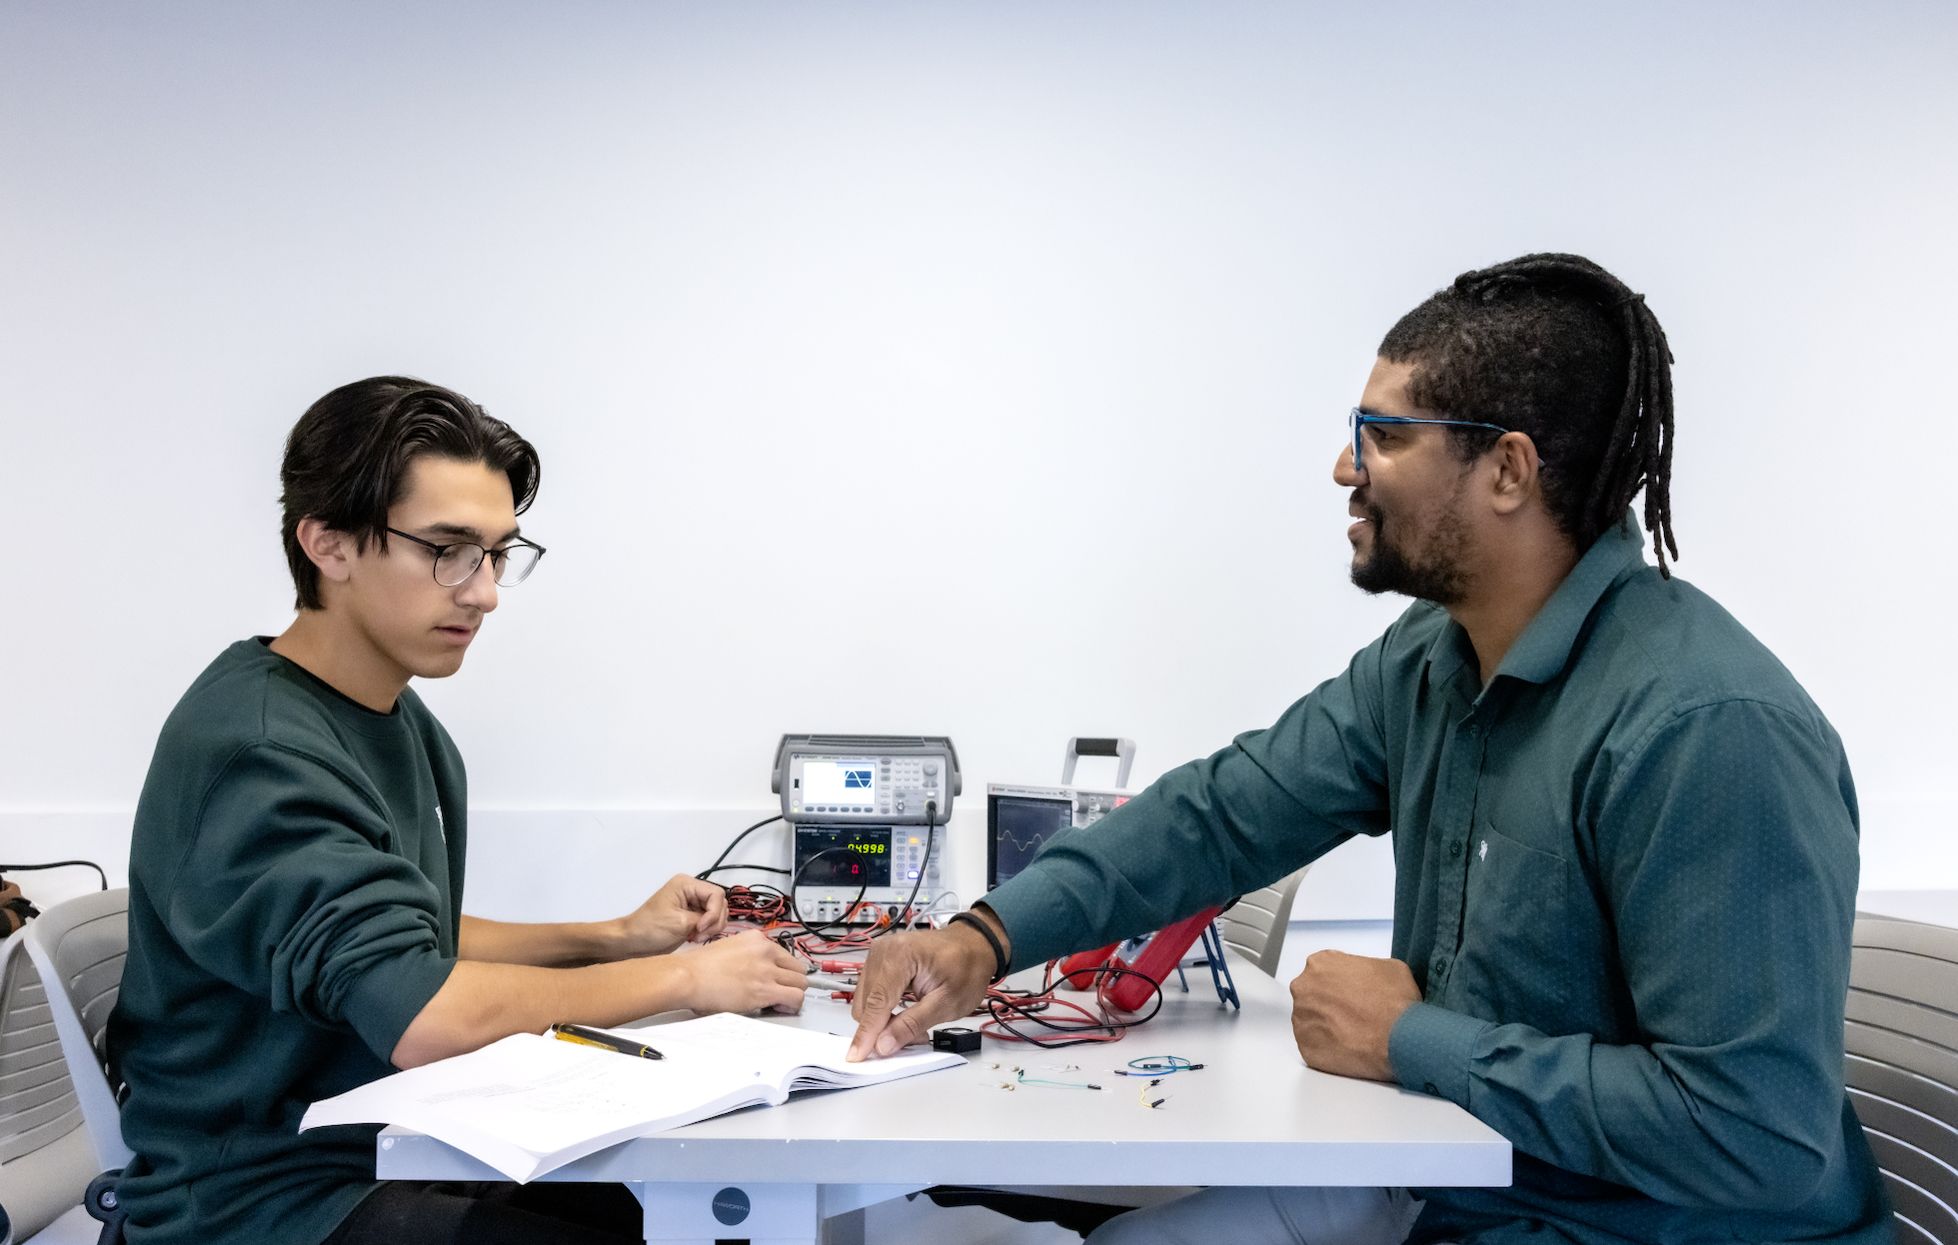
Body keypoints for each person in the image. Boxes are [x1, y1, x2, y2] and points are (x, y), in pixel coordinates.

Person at [846, 254, 1892, 1245]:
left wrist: (1414, 1040)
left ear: (1506, 471)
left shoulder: (1703, 731)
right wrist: (985, 937)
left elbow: (1756, 1134)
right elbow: (1224, 812)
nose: (1344, 467)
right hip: (1455, 1185)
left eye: (1382, 435)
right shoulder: (1434, 658)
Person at [106, 377, 809, 1245]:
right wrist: (686, 979)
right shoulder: (261, 753)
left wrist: (618, 936)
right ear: (328, 543)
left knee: (669, 1213)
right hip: (261, 1200)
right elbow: (424, 1014)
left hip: (390, 1146)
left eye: (499, 553)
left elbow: (412, 939)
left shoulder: (395, 719)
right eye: (447, 549)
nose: (484, 592)